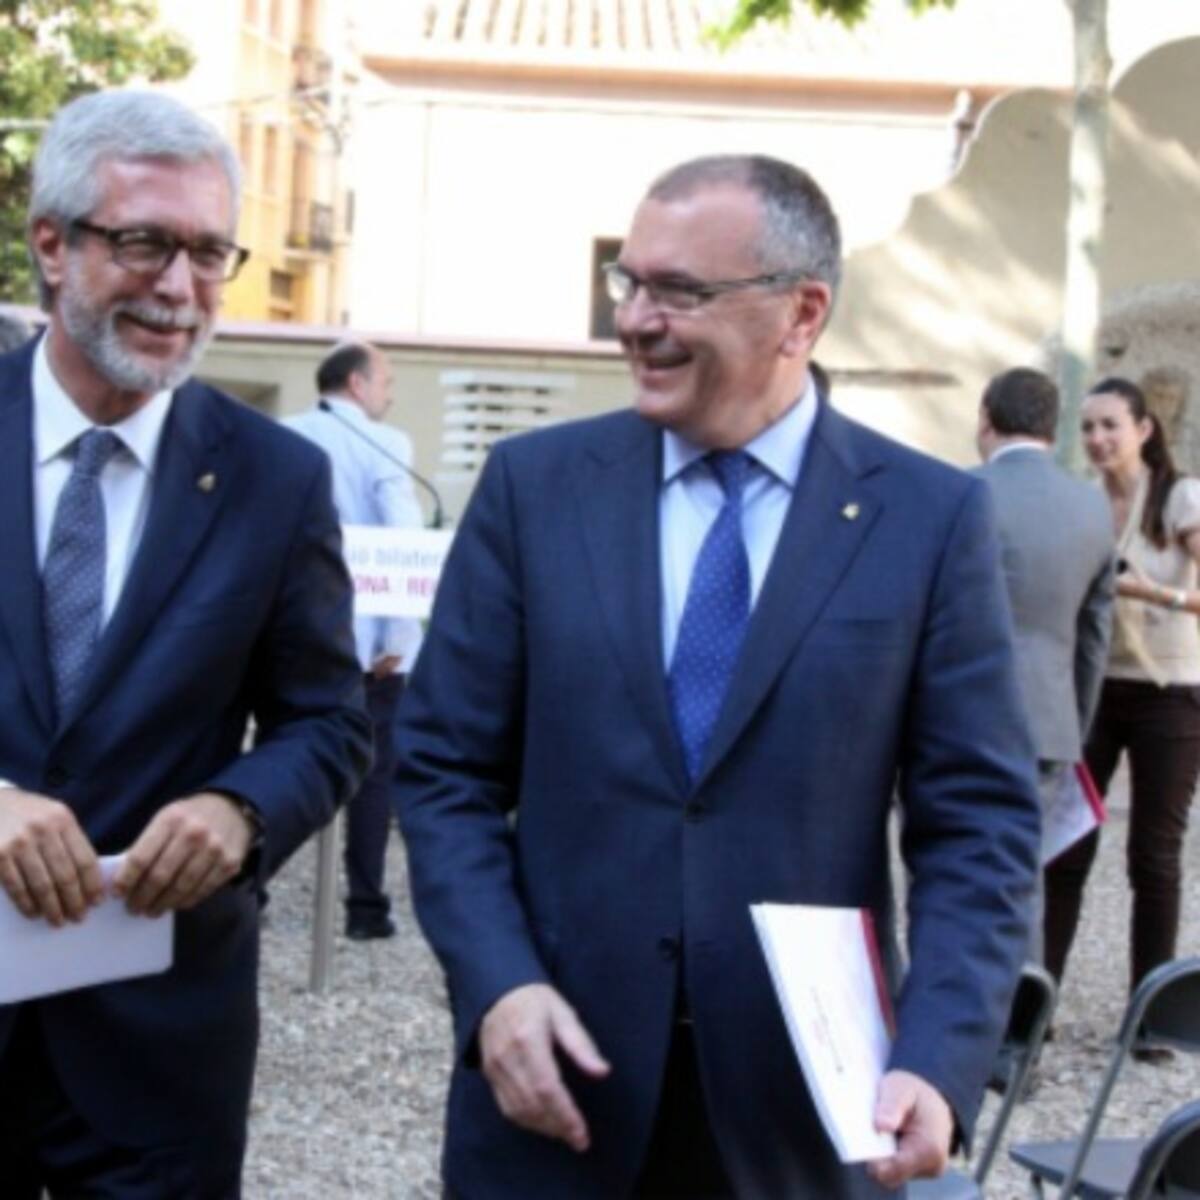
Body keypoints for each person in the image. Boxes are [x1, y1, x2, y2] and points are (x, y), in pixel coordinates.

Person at [395, 154, 1040, 1198]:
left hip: (802, 1118)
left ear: (801, 313)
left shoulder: (928, 519)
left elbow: (978, 822)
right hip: (556, 1095)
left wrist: (939, 1055)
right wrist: (497, 984)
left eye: (680, 292)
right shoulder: (535, 489)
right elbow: (441, 769)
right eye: (629, 282)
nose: (634, 321)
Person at [0, 89, 371, 1196]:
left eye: (210, 253)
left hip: (158, 1048)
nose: (180, 286)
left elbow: (329, 720)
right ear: (53, 246)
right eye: (144, 243)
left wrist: (240, 810)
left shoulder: (277, 479)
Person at [1044, 376, 1200, 1001]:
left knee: (1153, 855)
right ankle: (1037, 1002)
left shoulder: (1179, 496)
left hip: (1171, 692)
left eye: (1110, 425)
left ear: (1144, 429)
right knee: (1066, 844)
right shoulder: (1082, 502)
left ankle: (1152, 1009)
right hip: (1094, 687)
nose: (1097, 438)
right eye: (1087, 427)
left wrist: (1147, 591)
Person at [973, 367, 1115, 957]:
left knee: (949, 868)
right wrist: (1074, 724)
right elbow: (1094, 635)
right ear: (1055, 428)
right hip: (1048, 722)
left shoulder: (961, 492)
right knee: (1023, 875)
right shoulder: (1091, 507)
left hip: (960, 718)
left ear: (986, 418)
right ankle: (1024, 1003)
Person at [285, 341, 424, 940]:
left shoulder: (283, 436)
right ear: (358, 384)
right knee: (372, 774)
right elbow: (403, 537)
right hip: (366, 637)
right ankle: (365, 909)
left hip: (289, 631)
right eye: (385, 381)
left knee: (285, 755)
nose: (389, 394)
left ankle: (247, 888)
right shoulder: (386, 444)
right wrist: (398, 633)